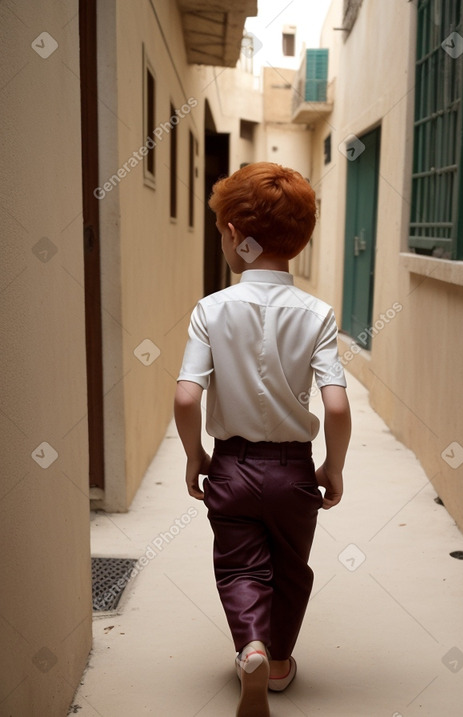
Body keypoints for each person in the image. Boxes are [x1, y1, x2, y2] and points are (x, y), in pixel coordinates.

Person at [174, 162, 351, 717]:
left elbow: (185, 398)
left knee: (240, 565)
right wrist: (332, 467)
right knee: (292, 566)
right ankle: (277, 665)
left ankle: (249, 645)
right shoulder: (318, 314)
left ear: (232, 234)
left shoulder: (211, 309)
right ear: (300, 241)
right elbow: (337, 404)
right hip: (294, 470)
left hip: (230, 466)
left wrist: (194, 458)